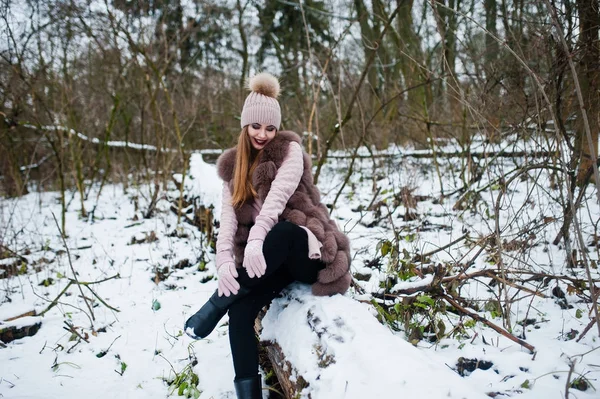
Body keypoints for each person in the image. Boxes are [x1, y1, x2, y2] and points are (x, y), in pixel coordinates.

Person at [184, 72, 351, 399]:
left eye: (270, 127)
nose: (263, 134)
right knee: (241, 313)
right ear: (245, 126)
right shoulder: (234, 169)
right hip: (270, 263)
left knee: (286, 230)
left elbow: (276, 201)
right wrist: (222, 263)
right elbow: (228, 221)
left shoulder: (289, 153)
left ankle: (215, 304)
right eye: (256, 126)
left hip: (306, 254)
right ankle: (248, 393)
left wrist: (258, 239)